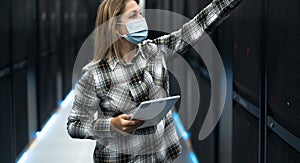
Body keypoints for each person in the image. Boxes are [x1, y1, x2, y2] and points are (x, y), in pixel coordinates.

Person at [67, 0, 242, 162]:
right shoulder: (94, 74)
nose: (141, 19)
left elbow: (195, 28)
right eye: (133, 15)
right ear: (116, 29)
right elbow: (75, 125)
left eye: (140, 13)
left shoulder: (154, 51)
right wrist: (111, 125)